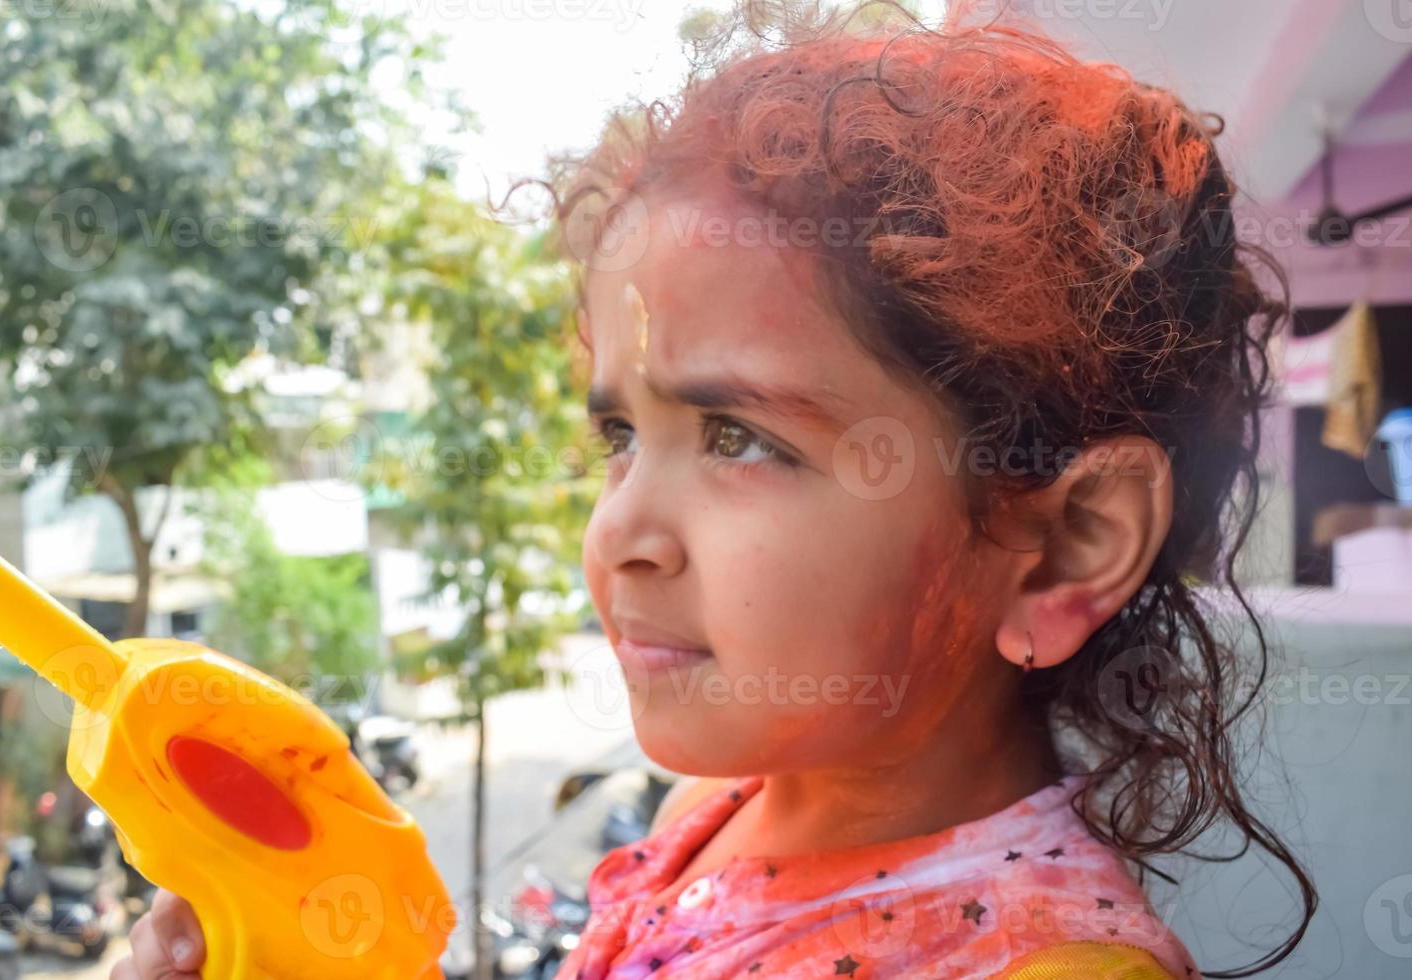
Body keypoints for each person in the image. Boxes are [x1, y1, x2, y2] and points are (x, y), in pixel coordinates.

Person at [110, 2, 1317, 977]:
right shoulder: (724, 798)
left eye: (739, 437)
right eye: (621, 432)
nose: (618, 530)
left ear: (1065, 543)